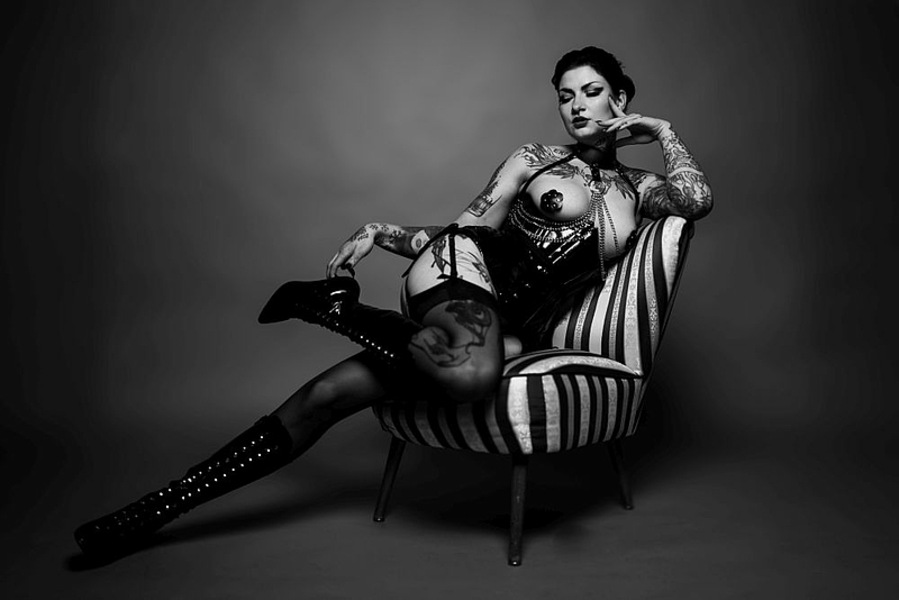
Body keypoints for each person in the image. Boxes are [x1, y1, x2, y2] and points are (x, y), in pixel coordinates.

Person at [74, 46, 712, 559]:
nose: (576, 106)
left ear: (619, 97)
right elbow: (468, 229)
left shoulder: (642, 189)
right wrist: (387, 233)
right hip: (462, 268)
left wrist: (662, 130)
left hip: (505, 322)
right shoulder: (534, 159)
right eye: (565, 96)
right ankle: (338, 309)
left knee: (327, 396)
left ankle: (151, 511)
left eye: (591, 91)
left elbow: (696, 200)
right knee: (474, 374)